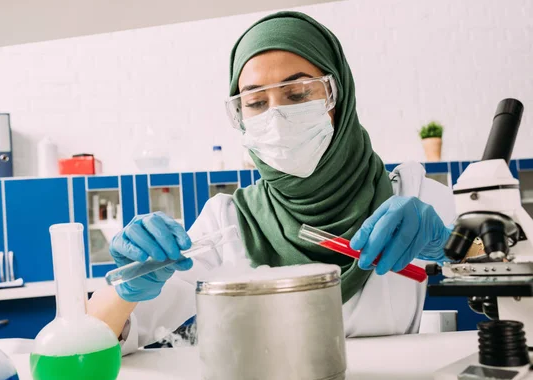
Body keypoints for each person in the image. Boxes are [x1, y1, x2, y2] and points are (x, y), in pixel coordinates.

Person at [86, 11, 455, 355]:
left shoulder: (412, 198)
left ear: (338, 95)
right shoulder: (228, 222)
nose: (277, 117)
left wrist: (452, 247)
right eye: (256, 102)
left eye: (298, 94)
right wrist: (124, 290)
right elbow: (93, 337)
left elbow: (502, 261)